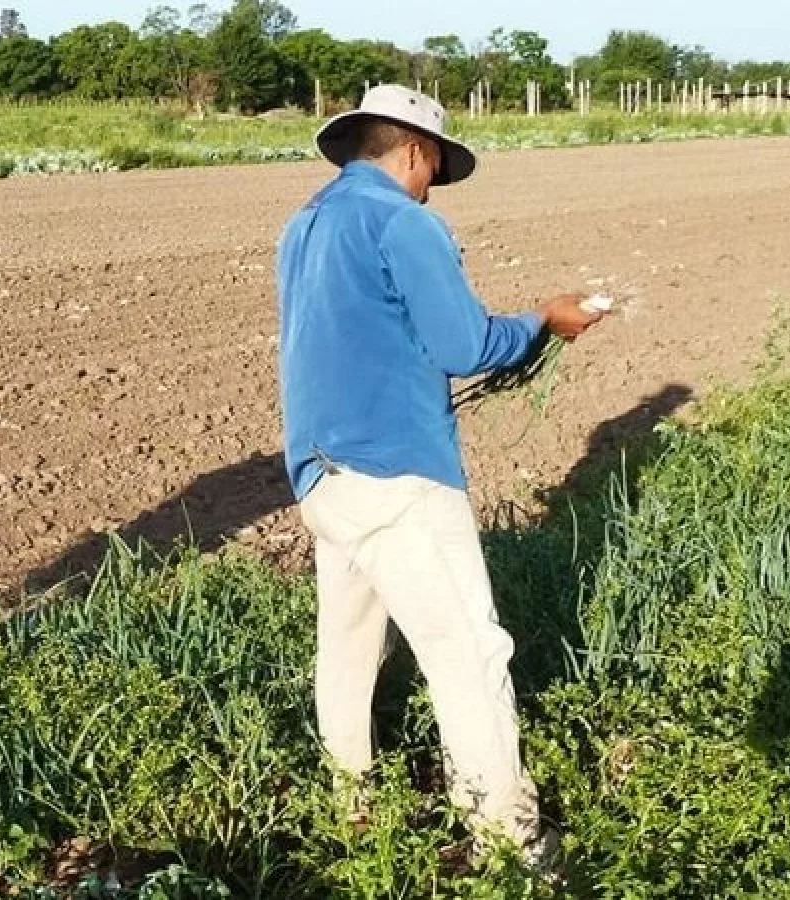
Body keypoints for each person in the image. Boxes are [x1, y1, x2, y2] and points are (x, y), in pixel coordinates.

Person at [275, 85, 603, 867]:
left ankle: (351, 810)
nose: (432, 187)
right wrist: (543, 322)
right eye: (434, 170)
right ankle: (509, 842)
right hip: (397, 474)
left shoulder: (304, 226)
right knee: (470, 653)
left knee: (348, 648)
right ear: (416, 152)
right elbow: (464, 344)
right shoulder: (402, 221)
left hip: (320, 475)